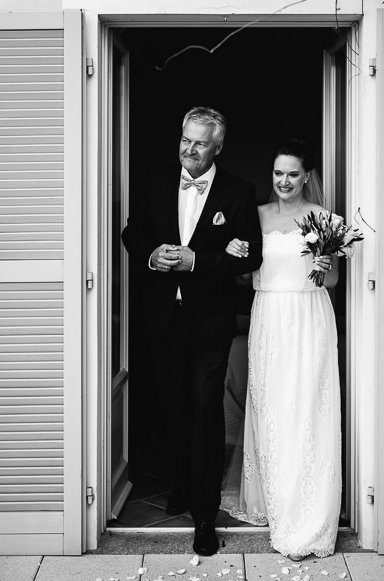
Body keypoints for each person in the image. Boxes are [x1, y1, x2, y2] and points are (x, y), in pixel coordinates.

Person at [121, 106, 263, 556]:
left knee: (204, 411)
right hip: (163, 318)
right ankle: (183, 481)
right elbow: (131, 234)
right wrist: (151, 255)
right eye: (185, 139)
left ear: (217, 146)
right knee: (173, 409)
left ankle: (204, 514)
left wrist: (197, 260)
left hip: (209, 321)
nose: (189, 149)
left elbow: (250, 256)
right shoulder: (156, 181)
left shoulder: (239, 192)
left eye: (200, 142)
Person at [223, 137, 341, 561]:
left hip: (309, 318)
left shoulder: (324, 219)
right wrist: (235, 254)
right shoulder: (254, 216)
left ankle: (308, 510)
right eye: (278, 173)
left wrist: (324, 267)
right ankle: (275, 500)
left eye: (292, 173)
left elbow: (331, 282)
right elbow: (243, 276)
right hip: (269, 316)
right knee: (272, 406)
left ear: (306, 175)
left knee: (307, 407)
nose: (284, 181)